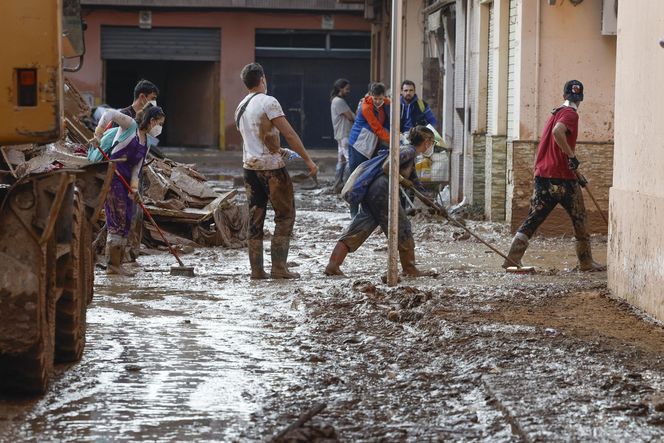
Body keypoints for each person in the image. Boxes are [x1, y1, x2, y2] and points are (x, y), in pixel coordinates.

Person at [504, 80, 605, 272]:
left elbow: (555, 143)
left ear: (564, 95)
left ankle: (512, 259)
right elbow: (558, 132)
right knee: (580, 219)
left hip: (543, 177)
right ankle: (585, 262)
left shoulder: (555, 112)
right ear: (579, 98)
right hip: (563, 179)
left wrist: (576, 170)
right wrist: (572, 155)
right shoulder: (570, 114)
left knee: (533, 219)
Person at [235, 62, 318, 280]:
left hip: (249, 168)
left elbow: (255, 137)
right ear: (262, 79)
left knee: (255, 218)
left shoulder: (241, 106)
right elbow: (289, 133)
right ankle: (279, 268)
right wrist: (308, 160)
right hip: (272, 169)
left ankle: (256, 270)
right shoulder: (269, 102)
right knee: (285, 216)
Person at [325, 125, 436, 277]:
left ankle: (333, 265)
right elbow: (387, 167)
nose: (431, 146)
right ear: (427, 142)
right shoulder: (408, 151)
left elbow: (416, 185)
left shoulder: (410, 154)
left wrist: (433, 205)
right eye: (432, 142)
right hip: (381, 190)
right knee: (402, 227)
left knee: (360, 227)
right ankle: (410, 269)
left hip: (373, 191)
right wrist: (403, 181)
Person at [92, 104, 166, 275]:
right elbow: (110, 113)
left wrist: (135, 190)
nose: (160, 128)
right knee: (116, 221)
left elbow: (136, 169)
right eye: (159, 123)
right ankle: (112, 267)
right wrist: (97, 135)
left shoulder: (146, 141)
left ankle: (118, 263)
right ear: (151, 120)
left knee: (126, 220)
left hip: (126, 182)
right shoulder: (130, 125)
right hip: (114, 177)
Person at [347, 82, 391, 217]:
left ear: (384, 97)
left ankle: (366, 211)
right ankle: (353, 212)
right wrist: (393, 141)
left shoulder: (386, 103)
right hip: (358, 144)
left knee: (368, 177)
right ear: (370, 95)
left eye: (380, 98)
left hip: (371, 145)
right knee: (356, 177)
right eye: (375, 98)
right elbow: (376, 127)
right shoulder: (365, 107)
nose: (378, 101)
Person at [330, 79, 355, 194]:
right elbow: (350, 117)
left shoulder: (336, 100)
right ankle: (347, 185)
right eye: (347, 89)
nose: (348, 91)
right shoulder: (339, 101)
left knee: (342, 161)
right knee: (350, 160)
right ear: (340, 88)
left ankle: (337, 186)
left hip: (341, 135)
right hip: (345, 134)